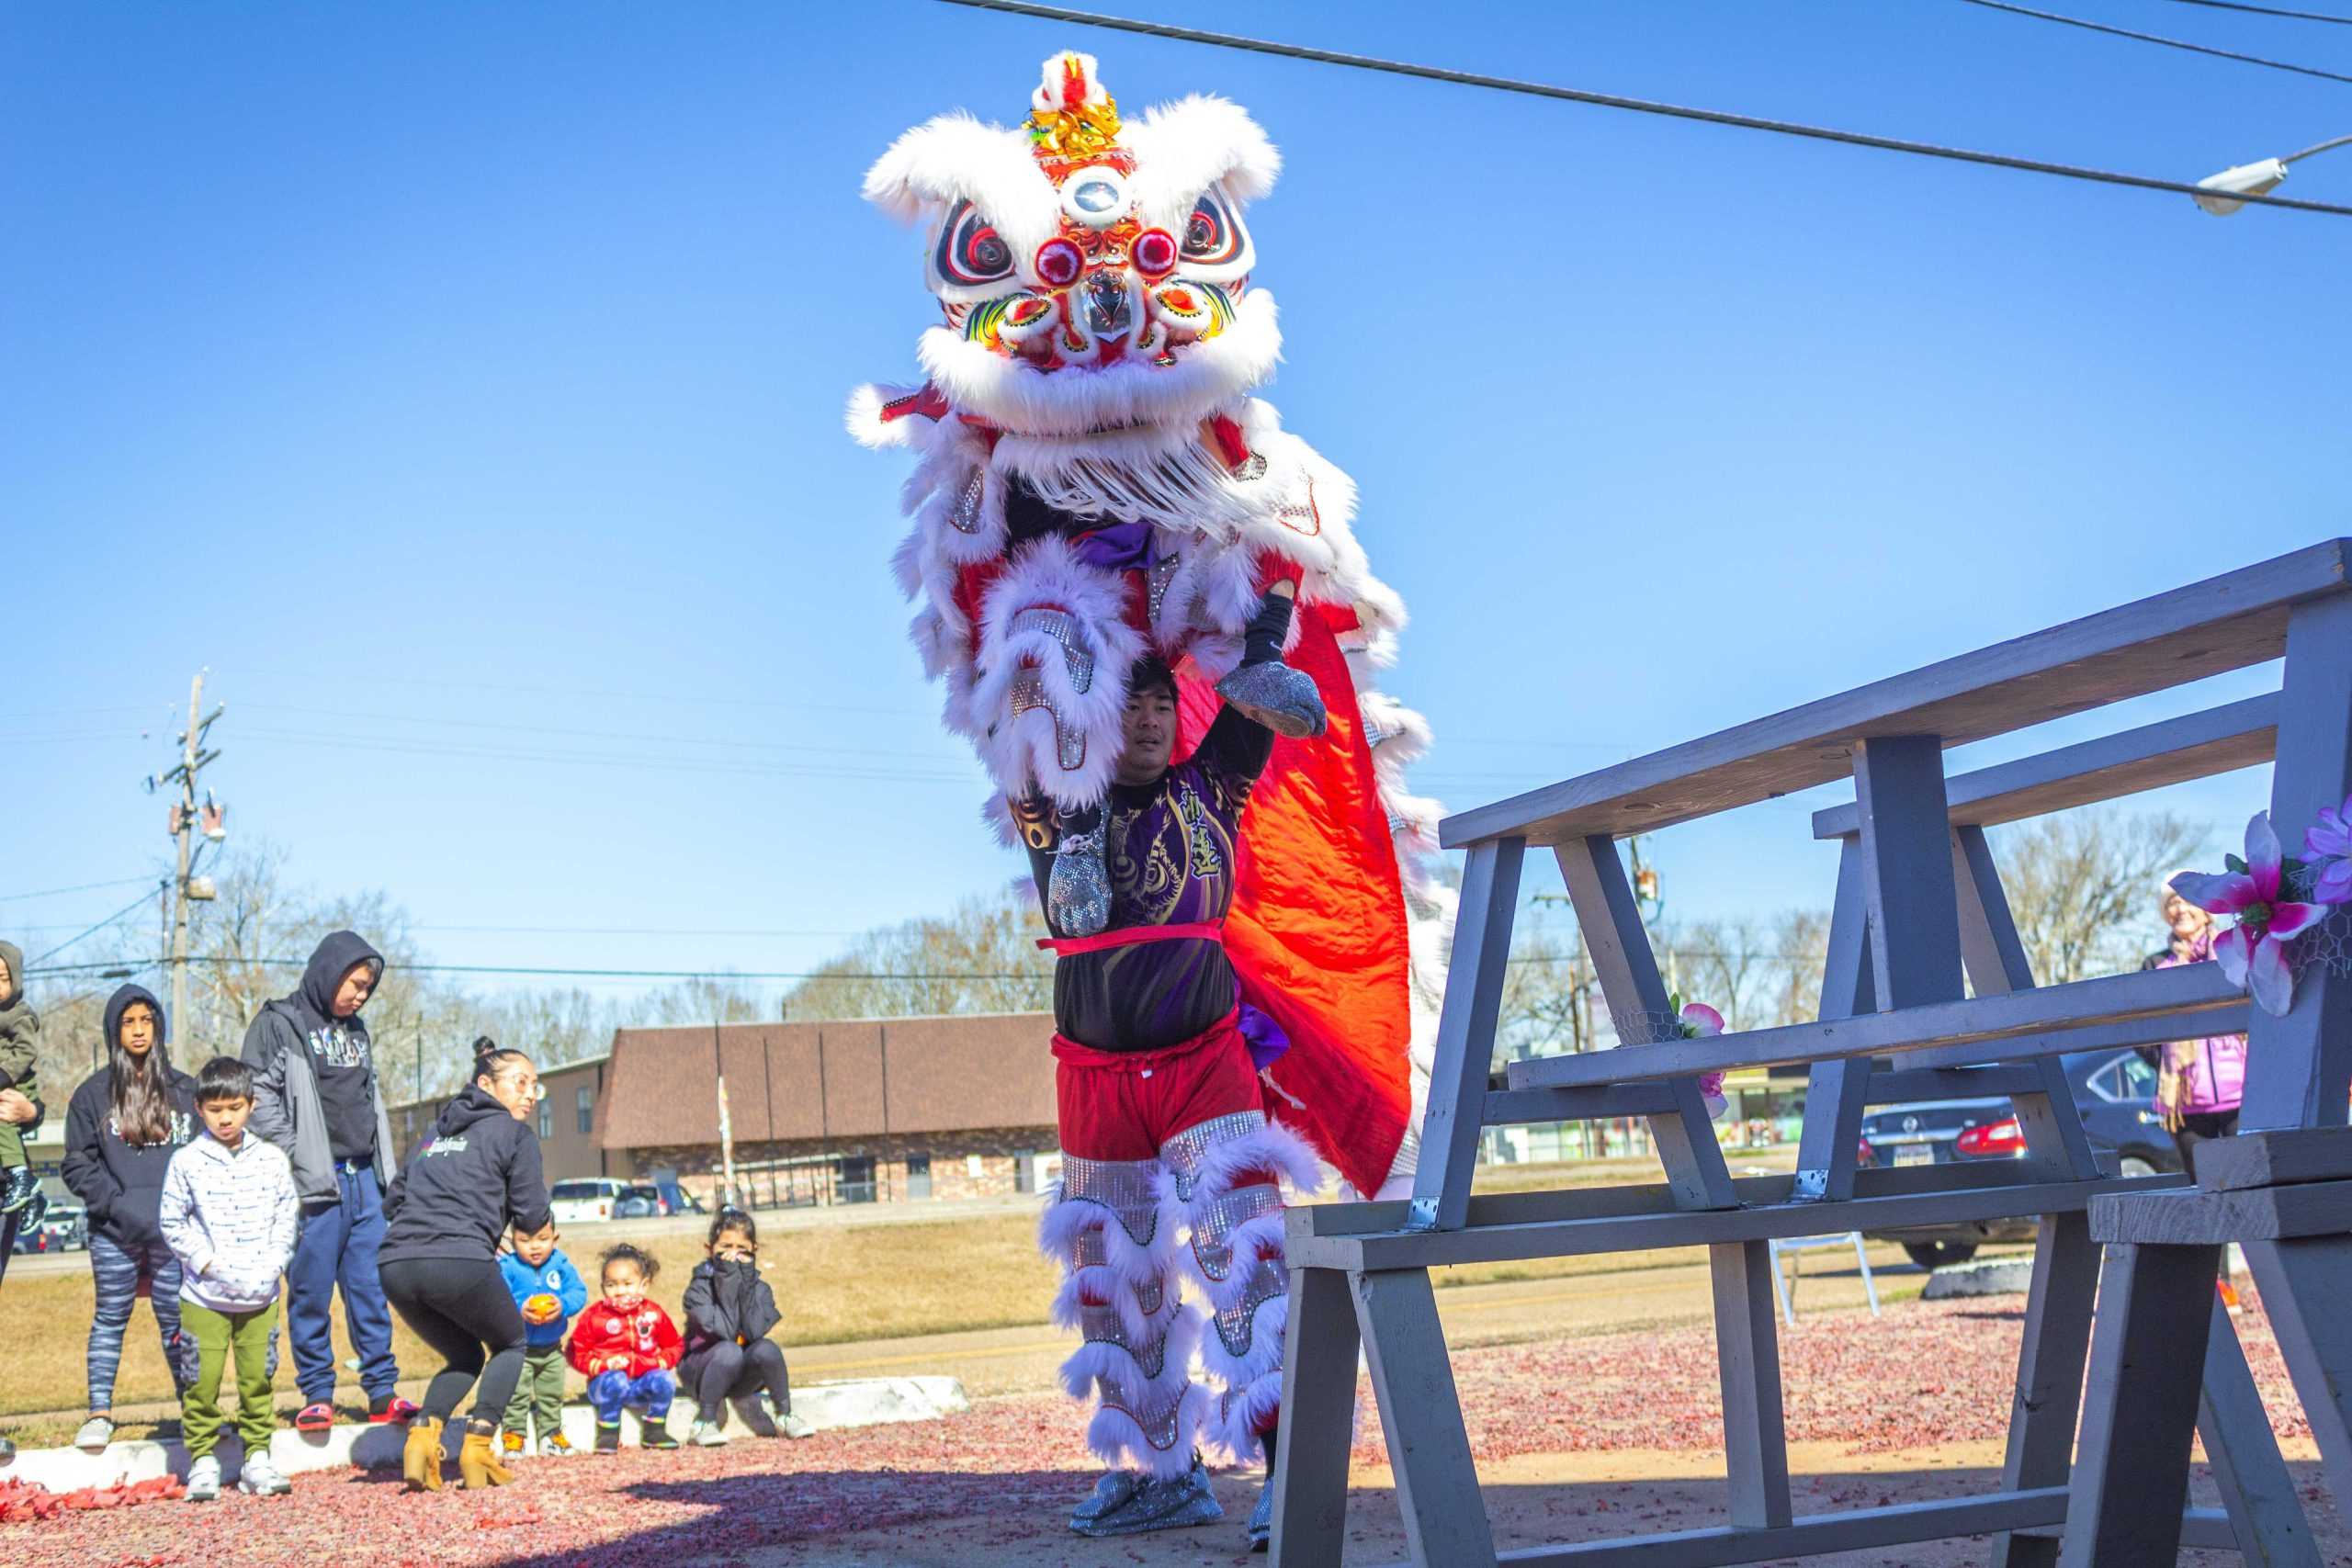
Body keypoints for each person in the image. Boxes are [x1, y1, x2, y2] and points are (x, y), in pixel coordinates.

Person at [1023, 586, 1328, 1548]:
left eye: (1163, 702)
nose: (1151, 717)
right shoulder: (1049, 803)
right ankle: (1165, 1474)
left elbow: (1258, 668)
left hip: (1204, 1066)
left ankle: (1291, 1475)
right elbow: (1020, 688)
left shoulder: (1214, 784)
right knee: (1116, 1282)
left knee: (1247, 1269)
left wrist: (1262, 617)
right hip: (1093, 1077)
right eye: (1132, 702)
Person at [242, 930, 413, 1430]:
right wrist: (297, 1153)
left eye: (366, 988)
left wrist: (386, 1174)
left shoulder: (356, 1031)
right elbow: (257, 1098)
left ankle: (382, 1391)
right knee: (310, 1291)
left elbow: (367, 1100)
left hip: (364, 1183)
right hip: (313, 1185)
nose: (359, 995)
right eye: (354, 983)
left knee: (368, 1288)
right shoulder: (280, 1023)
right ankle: (317, 1393)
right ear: (327, 971)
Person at [378, 1039, 553, 1491]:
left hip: (396, 1265)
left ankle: (422, 1438)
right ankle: (477, 1450)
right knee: (512, 1342)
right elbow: (532, 1214)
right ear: (485, 1084)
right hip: (458, 1260)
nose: (531, 1094)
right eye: (520, 1082)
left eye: (536, 1085)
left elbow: (393, 1200)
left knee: (464, 1354)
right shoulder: (515, 1135)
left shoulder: (434, 1134)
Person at [61, 983, 200, 1452]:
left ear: (158, 1027)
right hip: (114, 1234)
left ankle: (194, 1414)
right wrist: (115, 1204)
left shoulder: (185, 1090)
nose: (139, 1030)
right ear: (114, 1030)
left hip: (172, 1237)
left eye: (146, 1020)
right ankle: (99, 1413)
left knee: (176, 1322)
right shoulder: (92, 1094)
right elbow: (77, 1164)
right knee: (109, 1318)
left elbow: (205, 1157)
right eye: (128, 1022)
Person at [157, 1056, 300, 1502]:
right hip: (204, 1298)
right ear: (199, 1108)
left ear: (251, 1105)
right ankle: (202, 1460)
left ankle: (257, 1456)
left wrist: (274, 1263)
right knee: (201, 1382)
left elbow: (287, 1215)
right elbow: (172, 1221)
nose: (225, 1117)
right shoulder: (186, 1161)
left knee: (258, 1380)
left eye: (234, 1107)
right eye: (215, 1108)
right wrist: (206, 1264)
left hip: (260, 1296)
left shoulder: (272, 1159)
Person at [678, 1208, 815, 1445]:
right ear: (710, 1250)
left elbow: (753, 1331)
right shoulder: (698, 1290)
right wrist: (728, 1278)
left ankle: (784, 1415)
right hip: (701, 1371)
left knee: (767, 1348)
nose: (733, 1255)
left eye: (741, 1249)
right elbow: (725, 1332)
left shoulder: (760, 1289)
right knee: (729, 1350)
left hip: (739, 1374)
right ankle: (705, 1421)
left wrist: (746, 1284)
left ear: (754, 1250)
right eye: (725, 1248)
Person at [2144, 878, 2249, 1170]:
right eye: (2172, 904)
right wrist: (2166, 1059)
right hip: (2186, 1100)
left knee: (2249, 1175)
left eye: (2186, 900)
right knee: (2202, 1183)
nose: (2180, 909)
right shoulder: (2155, 965)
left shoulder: (2233, 951)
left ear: (2206, 911)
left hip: (2242, 1092)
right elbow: (2141, 1029)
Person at [566, 1244, 683, 1453]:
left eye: (628, 1284)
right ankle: (608, 1434)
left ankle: (655, 1430)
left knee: (664, 1379)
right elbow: (576, 1352)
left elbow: (674, 1345)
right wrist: (601, 1366)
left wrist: (661, 1362)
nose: (620, 1291)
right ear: (603, 1287)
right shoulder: (595, 1317)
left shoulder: (653, 1314)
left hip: (640, 1384)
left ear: (643, 1285)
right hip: (604, 1385)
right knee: (617, 1380)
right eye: (612, 1285)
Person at [498, 1218, 587, 1456]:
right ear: (512, 1240)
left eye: (543, 1239)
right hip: (519, 1351)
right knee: (516, 1395)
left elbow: (578, 1291)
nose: (534, 1246)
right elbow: (497, 1298)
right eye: (525, 1241)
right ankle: (514, 1436)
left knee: (552, 1395)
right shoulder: (508, 1266)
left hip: (551, 1349)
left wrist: (563, 1304)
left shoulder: (560, 1263)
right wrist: (519, 1308)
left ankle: (551, 1434)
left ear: (555, 1239)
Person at [0, 941, 46, 1225]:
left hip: (14, 1083)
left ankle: (20, 1174)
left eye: (4, 979)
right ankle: (31, 1191)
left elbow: (27, 1050)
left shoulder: (19, 1014)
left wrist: (33, 1111)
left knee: (4, 1122)